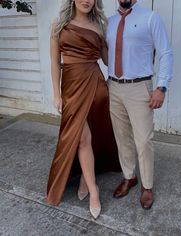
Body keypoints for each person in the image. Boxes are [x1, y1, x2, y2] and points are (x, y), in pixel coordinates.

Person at [46, 0, 120, 219]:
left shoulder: (99, 26)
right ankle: (93, 188)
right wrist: (57, 94)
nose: (87, 0)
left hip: (95, 84)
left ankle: (86, 181)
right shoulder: (59, 24)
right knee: (80, 138)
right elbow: (54, 62)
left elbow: (108, 60)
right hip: (71, 87)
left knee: (89, 135)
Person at [106, 0, 173, 209]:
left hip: (139, 87)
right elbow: (105, 54)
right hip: (114, 86)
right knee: (121, 136)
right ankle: (129, 177)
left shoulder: (151, 18)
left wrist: (161, 87)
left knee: (143, 140)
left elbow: (165, 53)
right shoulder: (109, 22)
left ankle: (147, 186)